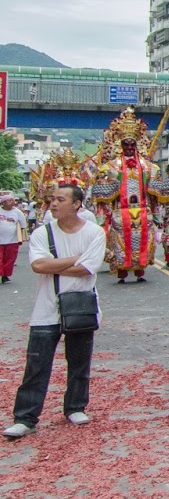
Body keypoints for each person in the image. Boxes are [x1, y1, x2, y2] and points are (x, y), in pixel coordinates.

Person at [4, 183, 106, 438]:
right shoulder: (42, 233)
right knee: (37, 364)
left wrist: (56, 265)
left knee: (79, 361)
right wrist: (76, 258)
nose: (54, 203)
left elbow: (88, 268)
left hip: (80, 305)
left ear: (76, 204)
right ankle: (25, 417)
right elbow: (38, 265)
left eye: (61, 199)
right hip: (46, 307)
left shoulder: (94, 232)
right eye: (52, 199)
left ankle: (75, 406)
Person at [89, 110, 159, 282]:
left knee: (142, 242)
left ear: (136, 145)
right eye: (125, 144)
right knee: (121, 243)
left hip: (143, 210)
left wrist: (156, 213)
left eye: (131, 144)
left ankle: (139, 271)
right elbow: (100, 192)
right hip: (121, 211)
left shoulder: (148, 166)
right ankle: (122, 272)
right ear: (120, 145)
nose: (129, 148)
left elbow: (154, 192)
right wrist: (104, 214)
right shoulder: (111, 166)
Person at [0, 190, 27, 283]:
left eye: (13, 200)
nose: (12, 202)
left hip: (12, 241)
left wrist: (22, 237)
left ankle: (5, 275)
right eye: (10, 200)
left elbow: (23, 225)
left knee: (9, 260)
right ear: (3, 203)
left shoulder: (18, 212)